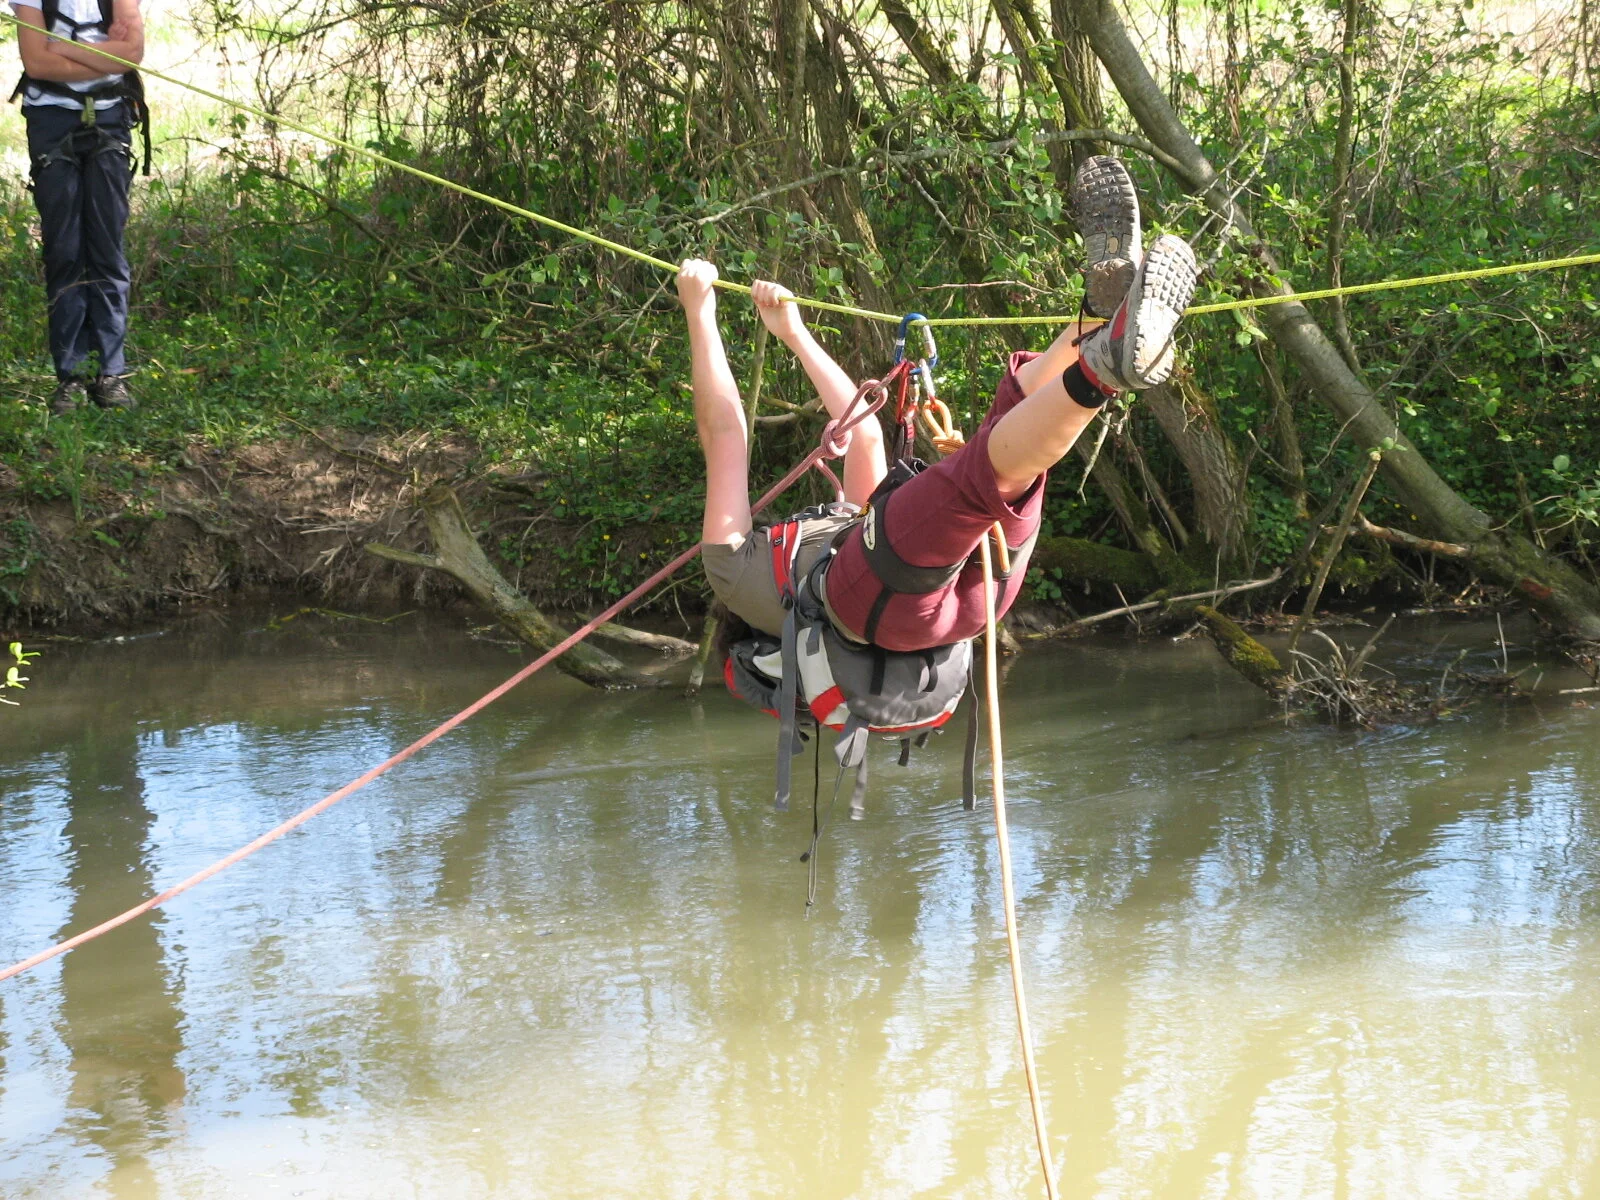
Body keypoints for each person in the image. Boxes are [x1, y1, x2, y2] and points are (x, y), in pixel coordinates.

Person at [683, 155, 1198, 661]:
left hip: (970, 601)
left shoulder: (803, 571)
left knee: (1010, 424)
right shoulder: (733, 573)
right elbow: (725, 433)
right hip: (888, 600)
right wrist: (699, 310)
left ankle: (1098, 318)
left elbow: (864, 433)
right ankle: (1105, 362)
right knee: (980, 475)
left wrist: (792, 331)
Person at [9, 0, 146, 413]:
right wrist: (104, 56)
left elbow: (131, 55)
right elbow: (37, 63)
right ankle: (70, 377)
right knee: (64, 249)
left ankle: (110, 374)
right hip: (52, 121)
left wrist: (63, 47)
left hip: (110, 119)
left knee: (107, 247)